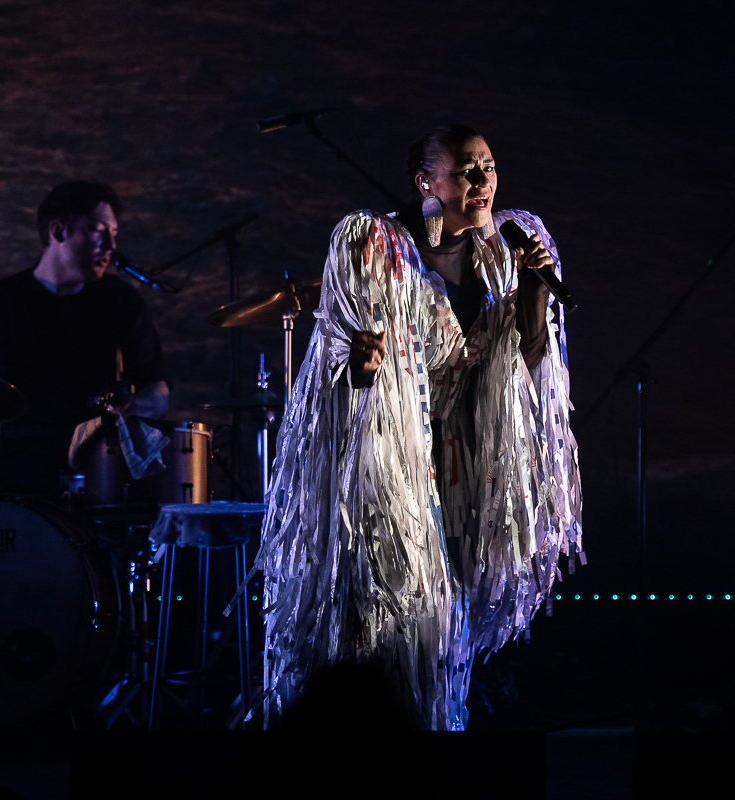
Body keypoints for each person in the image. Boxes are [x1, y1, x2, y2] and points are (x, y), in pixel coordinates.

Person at [257, 125, 582, 730]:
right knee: (385, 624)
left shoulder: (504, 251)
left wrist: (535, 294)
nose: (482, 181)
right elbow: (341, 359)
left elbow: (528, 364)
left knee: (440, 636)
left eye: (488, 166)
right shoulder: (376, 247)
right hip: (387, 464)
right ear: (425, 182)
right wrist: (362, 364)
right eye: (465, 170)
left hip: (459, 467)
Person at [0, 181, 171, 500]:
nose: (111, 245)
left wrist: (135, 405)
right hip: (26, 469)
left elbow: (158, 388)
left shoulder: (121, 300)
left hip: (103, 466)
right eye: (98, 231)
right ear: (57, 231)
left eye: (114, 233)